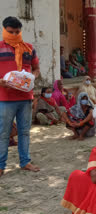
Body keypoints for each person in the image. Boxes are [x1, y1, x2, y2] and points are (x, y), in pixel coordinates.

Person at [0, 17, 41, 177]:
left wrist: (32, 76)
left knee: (24, 131)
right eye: (11, 32)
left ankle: (25, 162)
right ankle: (1, 166)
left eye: (17, 32)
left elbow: (36, 68)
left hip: (25, 97)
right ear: (4, 30)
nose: (14, 34)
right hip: (5, 98)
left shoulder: (29, 49)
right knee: (3, 133)